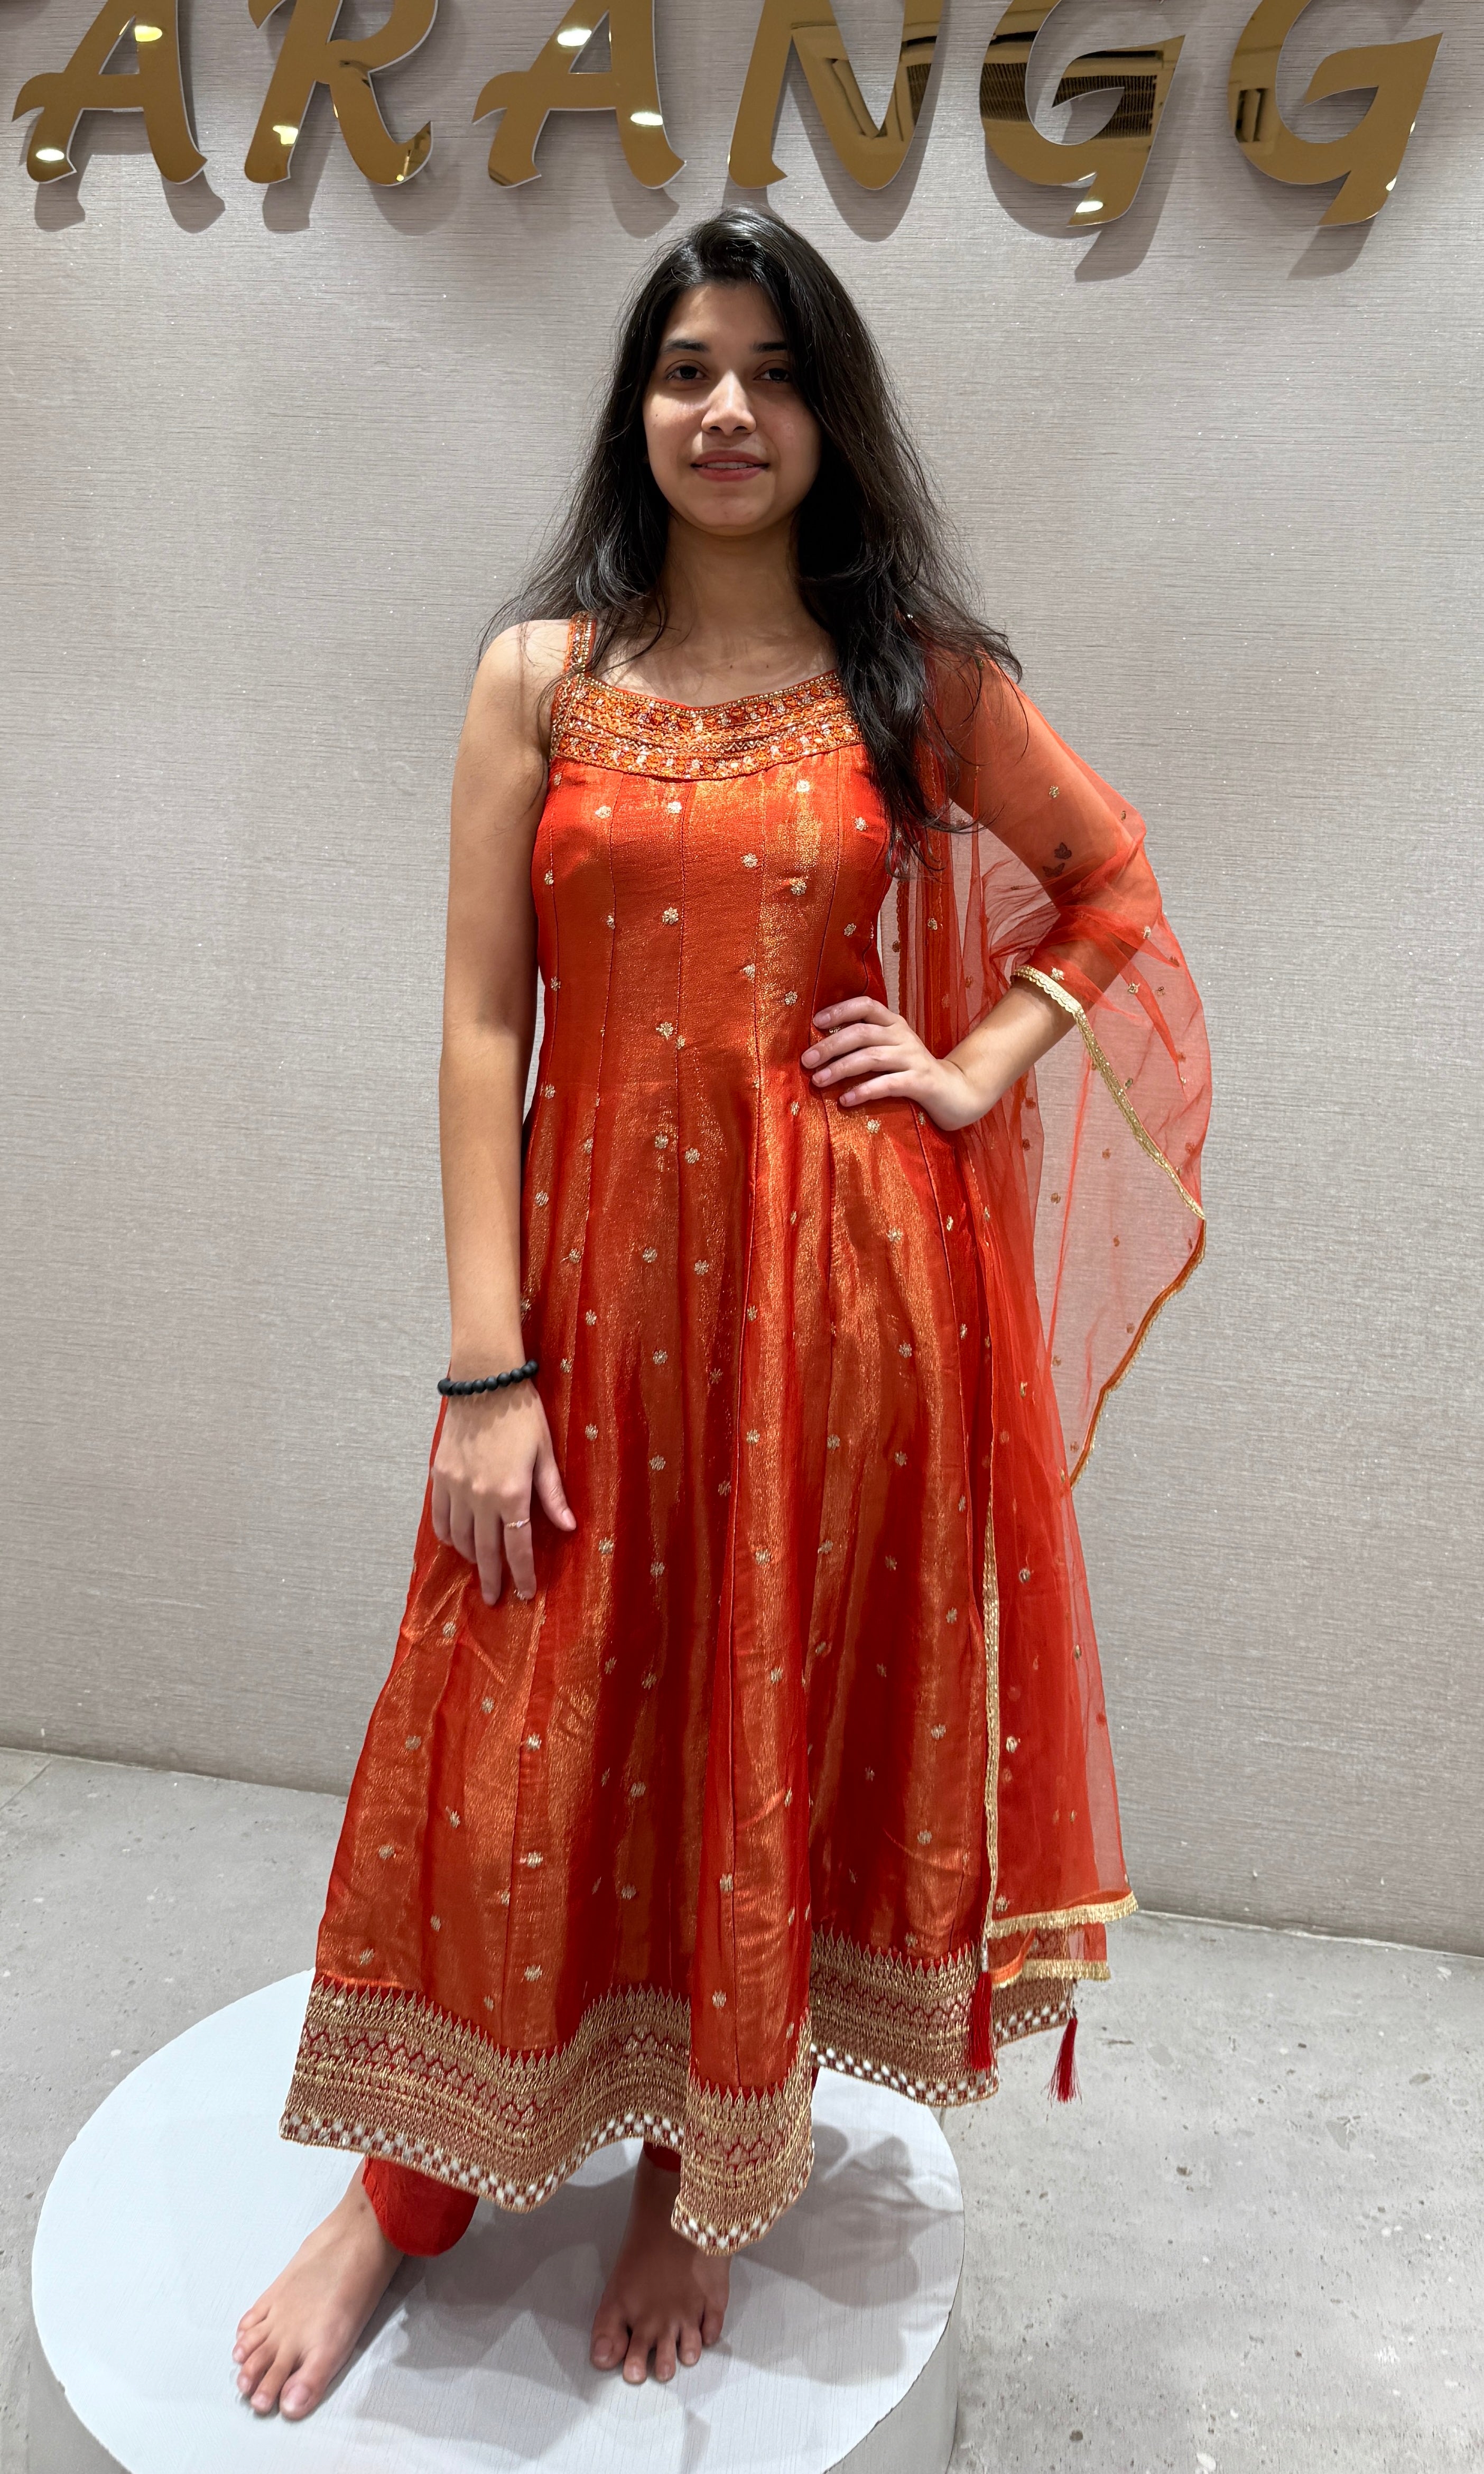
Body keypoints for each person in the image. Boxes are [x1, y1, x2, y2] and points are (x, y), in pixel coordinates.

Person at [233, 206, 1209, 2417]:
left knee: (756, 1727)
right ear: (638, 404)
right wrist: (485, 1362)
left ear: (829, 414)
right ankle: (400, 2190)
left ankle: (703, 2168)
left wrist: (973, 1060)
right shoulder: (541, 677)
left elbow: (1112, 885)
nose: (730, 410)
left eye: (774, 372)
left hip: (835, 1306)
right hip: (583, 1297)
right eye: (689, 368)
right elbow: (483, 1027)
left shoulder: (912, 678)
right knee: (507, 1733)